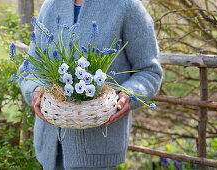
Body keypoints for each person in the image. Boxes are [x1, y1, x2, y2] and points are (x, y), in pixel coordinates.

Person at [18, 0, 163, 169]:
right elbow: (30, 69)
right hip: (49, 150)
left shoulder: (127, 6)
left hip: (98, 150)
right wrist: (35, 89)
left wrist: (128, 95)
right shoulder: (51, 5)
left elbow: (149, 71)